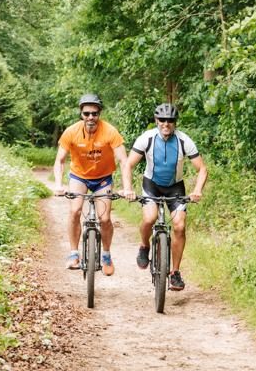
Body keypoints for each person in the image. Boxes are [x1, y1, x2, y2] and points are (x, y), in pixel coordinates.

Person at [122, 102, 208, 291]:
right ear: (156, 120)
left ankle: (175, 273)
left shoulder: (184, 140)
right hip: (151, 186)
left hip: (175, 188)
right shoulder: (147, 138)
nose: (166, 123)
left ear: (175, 122)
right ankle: (145, 246)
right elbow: (128, 165)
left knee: (179, 226)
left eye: (170, 120)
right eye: (162, 120)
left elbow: (202, 169)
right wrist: (128, 188)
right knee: (150, 218)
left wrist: (198, 190)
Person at [53, 93, 131, 274]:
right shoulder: (71, 132)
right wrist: (58, 184)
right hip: (79, 176)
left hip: (103, 178)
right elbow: (60, 160)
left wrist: (127, 188)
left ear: (99, 114)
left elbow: (123, 161)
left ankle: (106, 254)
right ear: (81, 114)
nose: (90, 117)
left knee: (104, 219)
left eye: (94, 114)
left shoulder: (110, 132)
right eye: (86, 113)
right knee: (74, 210)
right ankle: (73, 254)